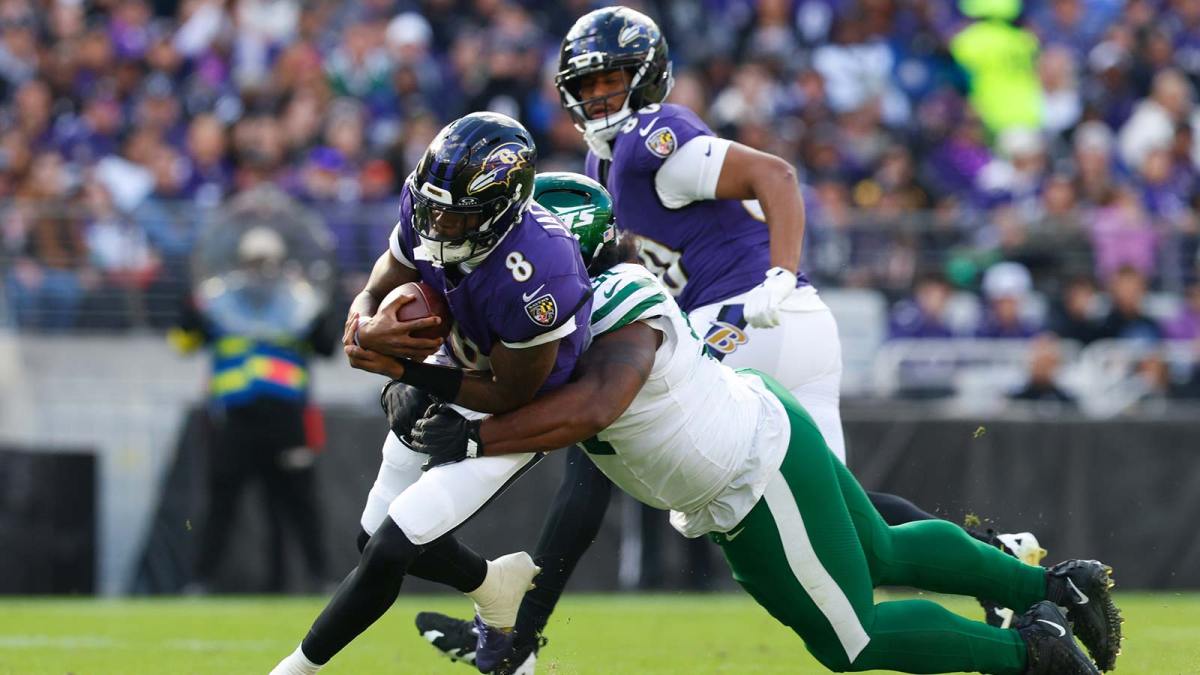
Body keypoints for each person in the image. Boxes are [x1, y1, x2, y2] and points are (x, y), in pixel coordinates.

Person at [418, 8, 1041, 671]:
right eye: (588, 84)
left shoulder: (650, 136)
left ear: (649, 76)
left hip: (748, 317)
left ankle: (517, 638)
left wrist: (777, 274)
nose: (600, 96)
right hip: (754, 323)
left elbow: (774, 175)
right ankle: (1000, 559)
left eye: (614, 79)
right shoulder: (609, 173)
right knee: (850, 524)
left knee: (592, 442)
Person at [407, 177, 1122, 674]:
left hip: (748, 473)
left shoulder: (620, 303)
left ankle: (1032, 652)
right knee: (882, 547)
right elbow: (517, 381)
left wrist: (472, 435)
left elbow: (584, 409)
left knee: (852, 638)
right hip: (757, 434)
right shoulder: (572, 309)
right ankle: (1057, 587)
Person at [269, 112, 595, 675]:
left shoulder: (539, 269)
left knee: (393, 548)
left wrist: (407, 371)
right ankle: (493, 586)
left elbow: (511, 392)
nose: (437, 224)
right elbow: (378, 284)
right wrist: (364, 327)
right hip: (456, 365)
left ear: (498, 213)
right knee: (372, 541)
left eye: (455, 215)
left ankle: (292, 671)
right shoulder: (427, 207)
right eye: (433, 208)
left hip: (519, 411)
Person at [171, 224, 337, 593]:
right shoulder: (219, 302)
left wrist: (322, 313)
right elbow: (182, 343)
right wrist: (190, 310)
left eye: (267, 261)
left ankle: (321, 578)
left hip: (287, 419)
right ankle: (201, 581)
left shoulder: (300, 303)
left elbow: (327, 348)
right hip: (235, 420)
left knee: (299, 503)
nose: (261, 269)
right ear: (241, 262)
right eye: (254, 261)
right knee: (221, 503)